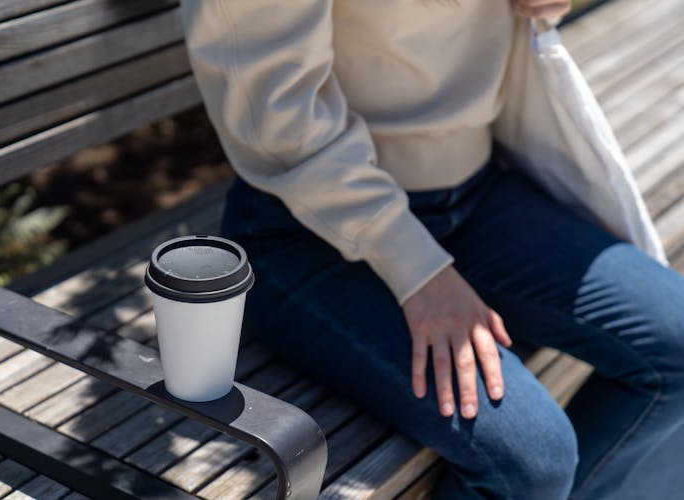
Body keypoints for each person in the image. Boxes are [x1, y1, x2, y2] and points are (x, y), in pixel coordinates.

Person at [179, 1, 684, 498]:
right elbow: (276, 115)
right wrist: (417, 269)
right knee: (534, 460)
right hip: (310, 231)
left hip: (476, 193)